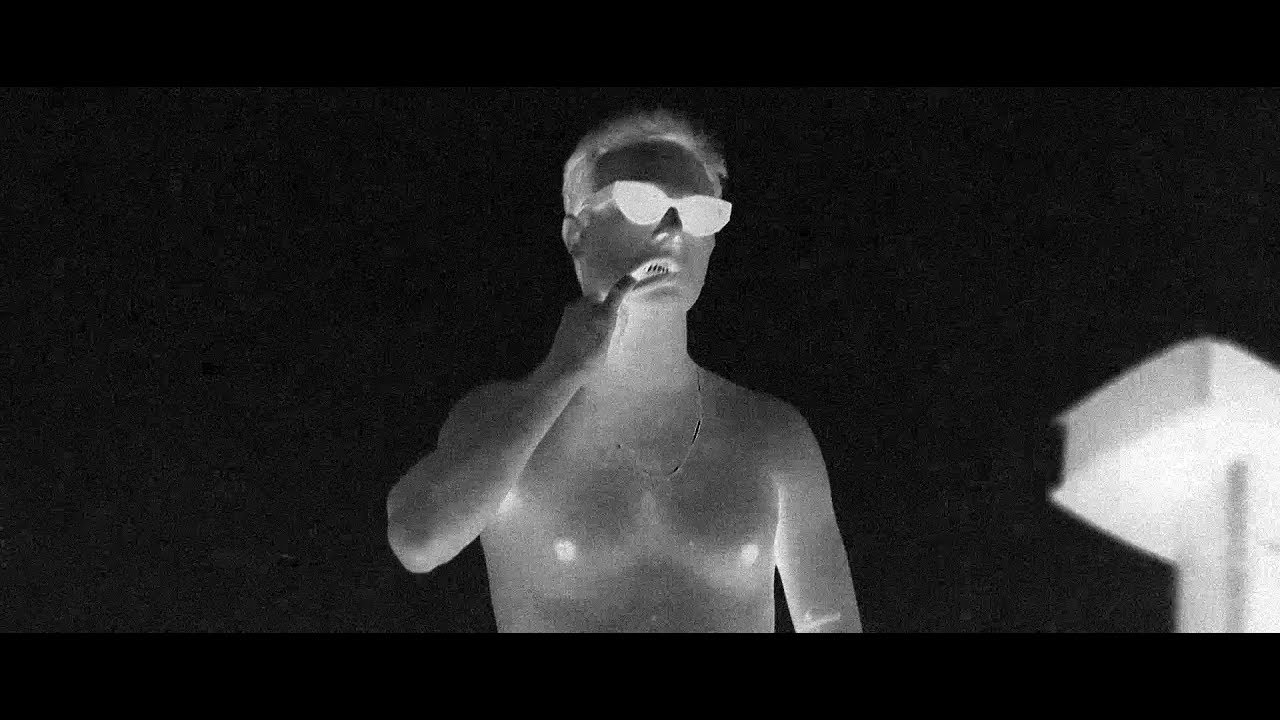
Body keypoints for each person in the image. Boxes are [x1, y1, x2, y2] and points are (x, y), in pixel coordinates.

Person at [386, 109, 862, 632]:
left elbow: (831, 622)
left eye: (700, 213)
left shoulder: (771, 438)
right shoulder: (501, 421)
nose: (672, 230)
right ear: (577, 232)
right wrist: (560, 374)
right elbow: (418, 539)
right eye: (642, 203)